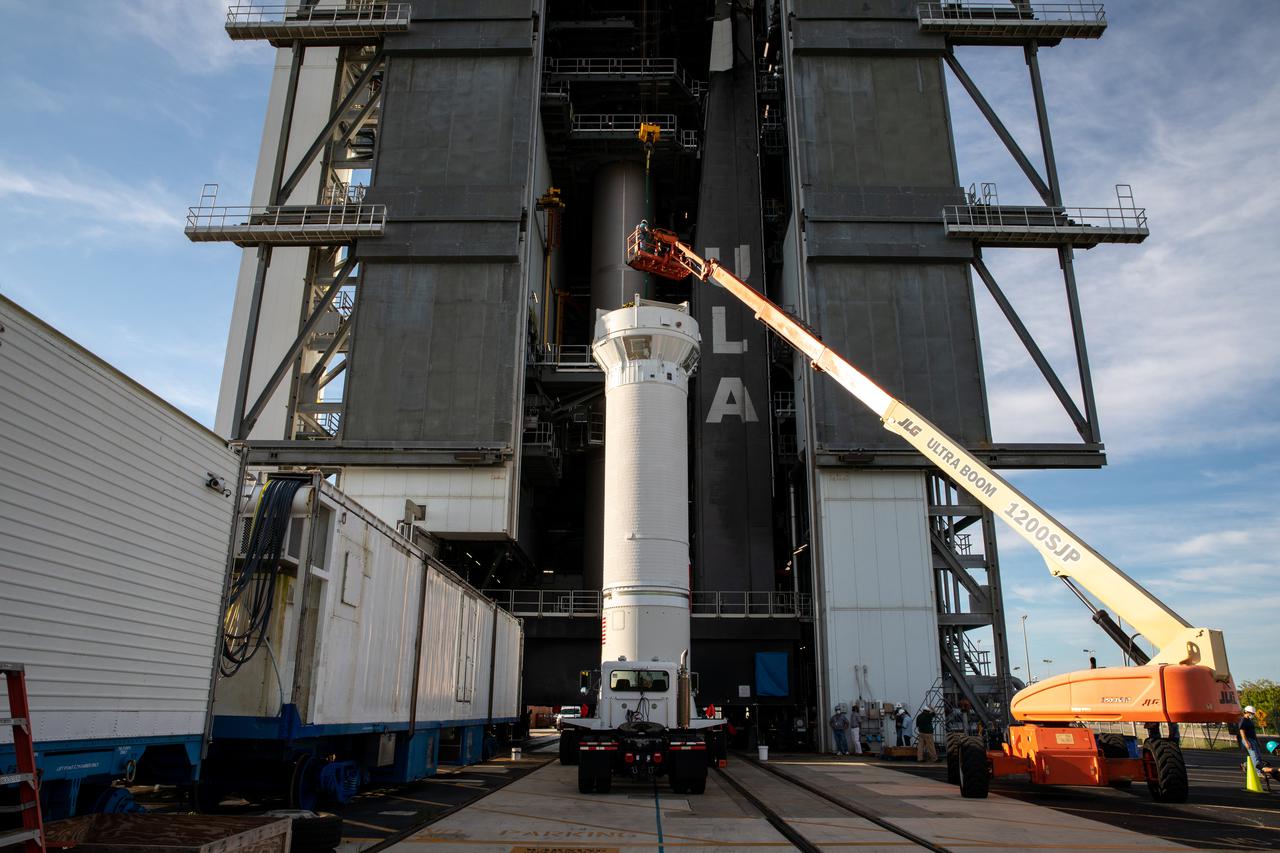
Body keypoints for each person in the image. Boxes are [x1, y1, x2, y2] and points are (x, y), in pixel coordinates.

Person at [1239, 705, 1264, 773]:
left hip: (1253, 740)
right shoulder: (1243, 720)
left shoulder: (1249, 720)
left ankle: (1245, 765)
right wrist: (1246, 741)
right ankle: (1258, 772)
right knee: (1254, 756)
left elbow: (1253, 732)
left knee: (1258, 755)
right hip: (1248, 740)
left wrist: (1257, 740)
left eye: (1253, 713)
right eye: (1251, 713)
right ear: (1246, 712)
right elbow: (1242, 731)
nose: (1252, 715)